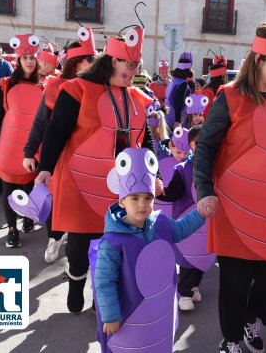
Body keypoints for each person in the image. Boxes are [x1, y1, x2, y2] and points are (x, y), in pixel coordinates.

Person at [194, 16, 266, 353]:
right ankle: (229, 341)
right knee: (234, 281)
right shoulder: (229, 98)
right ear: (258, 60)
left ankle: (251, 317)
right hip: (232, 206)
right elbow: (206, 147)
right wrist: (204, 190)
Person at [35, 23, 163, 314]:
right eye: (128, 64)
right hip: (81, 181)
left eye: (137, 65)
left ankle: (101, 297)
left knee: (112, 245)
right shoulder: (76, 90)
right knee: (80, 244)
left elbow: (145, 142)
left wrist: (156, 175)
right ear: (111, 60)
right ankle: (76, 284)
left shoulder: (139, 100)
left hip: (122, 187)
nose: (133, 70)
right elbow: (56, 131)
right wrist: (45, 168)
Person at [91, 147, 214, 353]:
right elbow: (104, 282)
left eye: (148, 198)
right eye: (135, 198)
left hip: (158, 311)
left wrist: (200, 213)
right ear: (122, 200)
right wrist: (110, 316)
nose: (142, 205)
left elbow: (181, 229)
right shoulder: (112, 242)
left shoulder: (160, 223)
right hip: (129, 313)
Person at [23, 33, 96, 263]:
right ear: (78, 62)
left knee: (79, 207)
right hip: (56, 154)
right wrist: (28, 151)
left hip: (84, 158)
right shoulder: (54, 86)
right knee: (51, 199)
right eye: (91, 59)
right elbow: (41, 122)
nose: (95, 64)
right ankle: (54, 238)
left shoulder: (95, 87)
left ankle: (76, 257)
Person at [0, 33, 44, 248]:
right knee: (9, 190)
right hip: (8, 147)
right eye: (25, 57)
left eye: (32, 58)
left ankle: (28, 216)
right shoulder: (6, 85)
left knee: (29, 187)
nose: (29, 61)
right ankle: (12, 230)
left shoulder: (43, 87)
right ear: (18, 61)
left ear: (37, 61)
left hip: (33, 148)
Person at [156, 125, 208, 311]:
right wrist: (159, 192)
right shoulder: (183, 169)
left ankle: (194, 285)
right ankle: (184, 292)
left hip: (209, 223)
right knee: (189, 256)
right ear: (194, 145)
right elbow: (173, 193)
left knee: (204, 255)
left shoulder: (215, 168)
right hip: (188, 218)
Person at [165, 52, 195, 128]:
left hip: (167, 116)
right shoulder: (183, 83)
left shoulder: (174, 80)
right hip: (175, 119)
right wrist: (177, 121)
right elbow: (179, 103)